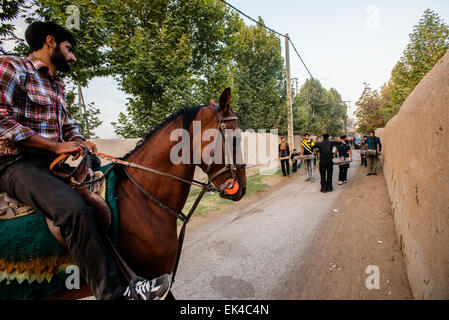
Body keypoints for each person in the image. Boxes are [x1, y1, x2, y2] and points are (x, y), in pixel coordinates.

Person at [0, 21, 171, 300]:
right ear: (50, 41)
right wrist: (55, 146)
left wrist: (80, 142)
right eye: (69, 49)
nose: (73, 57)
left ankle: (131, 273)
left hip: (54, 161)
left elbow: (68, 127)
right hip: (16, 162)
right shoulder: (13, 67)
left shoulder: (57, 84)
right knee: (72, 209)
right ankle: (114, 293)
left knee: (110, 189)